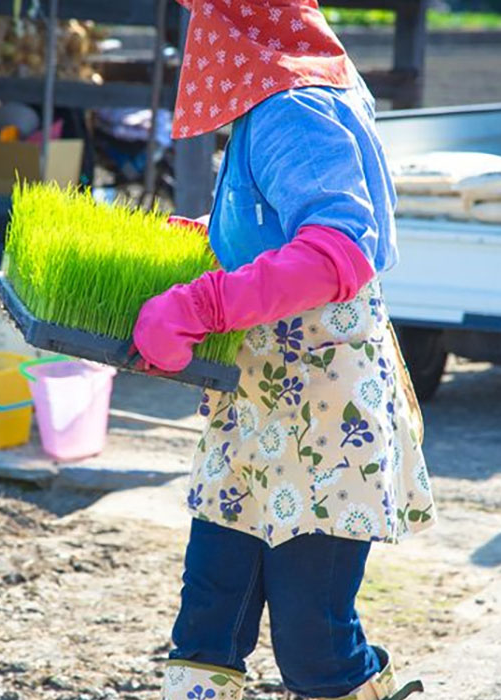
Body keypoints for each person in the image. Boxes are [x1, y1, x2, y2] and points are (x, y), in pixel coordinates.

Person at [132, 3, 436, 699]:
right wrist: (212, 236)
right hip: (255, 400)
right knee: (209, 612)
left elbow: (336, 248)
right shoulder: (277, 93)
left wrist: (202, 304)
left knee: (313, 641)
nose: (194, 36)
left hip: (326, 411)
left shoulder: (292, 105)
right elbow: (277, 219)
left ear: (233, 23)